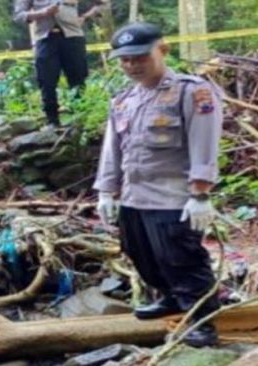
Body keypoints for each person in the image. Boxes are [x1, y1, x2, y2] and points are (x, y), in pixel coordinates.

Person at [93, 22, 223, 347]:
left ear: (162, 50)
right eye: (124, 59)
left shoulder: (192, 92)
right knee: (142, 255)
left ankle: (202, 321)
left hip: (174, 197)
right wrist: (106, 192)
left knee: (182, 259)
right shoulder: (123, 100)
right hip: (135, 198)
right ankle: (169, 298)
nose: (131, 65)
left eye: (139, 57)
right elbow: (112, 151)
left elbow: (204, 144)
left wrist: (201, 193)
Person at [14, 0, 105, 127]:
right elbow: (19, 15)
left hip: (73, 37)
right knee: (46, 81)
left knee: (78, 78)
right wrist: (43, 13)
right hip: (45, 38)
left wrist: (85, 17)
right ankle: (52, 120)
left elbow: (102, 3)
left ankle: (80, 118)